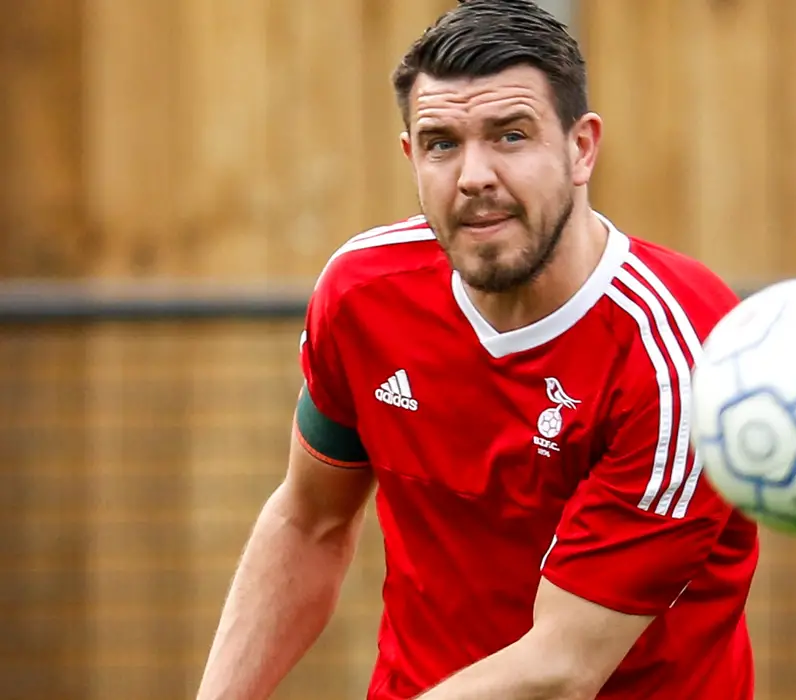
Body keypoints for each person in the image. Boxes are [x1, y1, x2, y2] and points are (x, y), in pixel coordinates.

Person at [195, 1, 760, 698]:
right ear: (410, 156)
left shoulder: (683, 356)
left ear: (581, 148)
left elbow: (559, 670)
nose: (474, 175)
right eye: (442, 143)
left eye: (510, 136)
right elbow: (308, 522)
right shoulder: (362, 295)